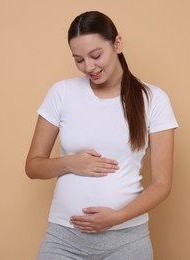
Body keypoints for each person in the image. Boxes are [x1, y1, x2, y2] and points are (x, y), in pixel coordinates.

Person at [25, 11, 178, 260]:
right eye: (79, 60)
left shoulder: (154, 99)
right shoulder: (62, 93)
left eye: (96, 56)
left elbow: (162, 184)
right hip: (64, 238)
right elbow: (33, 167)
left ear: (117, 44)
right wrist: (69, 163)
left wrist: (116, 218)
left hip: (127, 241)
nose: (89, 67)